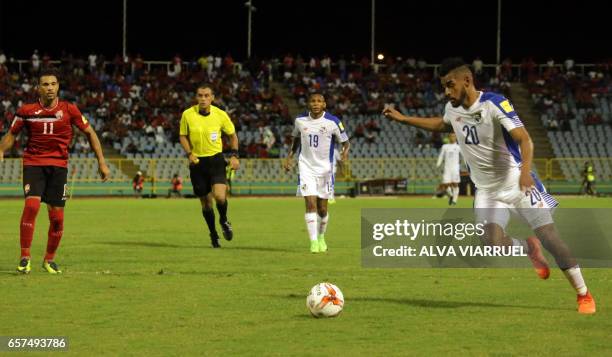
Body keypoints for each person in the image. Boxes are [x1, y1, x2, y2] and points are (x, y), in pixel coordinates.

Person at [383, 58, 596, 314]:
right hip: (488, 192)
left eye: (450, 85)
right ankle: (528, 247)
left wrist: (526, 173)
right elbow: (442, 124)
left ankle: (583, 294)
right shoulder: (452, 109)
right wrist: (404, 119)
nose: (446, 92)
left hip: (517, 183)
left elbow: (525, 139)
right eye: (444, 87)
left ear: (467, 81)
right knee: (492, 244)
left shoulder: (494, 103)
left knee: (550, 238)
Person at [0, 68, 110, 274]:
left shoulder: (69, 109)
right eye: (45, 84)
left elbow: (90, 132)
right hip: (34, 163)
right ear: (38, 88)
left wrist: (101, 162)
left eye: (53, 84)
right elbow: (11, 134)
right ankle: (25, 257)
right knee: (31, 206)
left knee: (57, 217)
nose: (49, 88)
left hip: (59, 167)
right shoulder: (26, 111)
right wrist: (1, 150)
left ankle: (49, 260)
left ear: (58, 86)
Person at [283, 93, 350, 253]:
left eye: (319, 101)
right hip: (306, 167)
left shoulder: (333, 122)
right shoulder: (300, 121)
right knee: (310, 204)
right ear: (308, 103)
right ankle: (313, 242)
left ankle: (321, 237)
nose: (315, 103)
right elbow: (296, 139)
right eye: (312, 101)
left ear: (324, 104)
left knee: (322, 209)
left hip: (325, 170)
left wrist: (345, 153)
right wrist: (290, 157)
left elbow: (346, 143)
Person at [179, 84, 240, 248]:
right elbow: (183, 136)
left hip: (216, 160)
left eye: (206, 95)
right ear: (196, 97)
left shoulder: (220, 115)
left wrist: (234, 155)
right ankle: (213, 234)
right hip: (198, 163)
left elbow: (233, 136)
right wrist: (189, 154)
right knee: (206, 203)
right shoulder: (187, 115)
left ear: (212, 97)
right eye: (200, 95)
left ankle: (224, 220)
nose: (203, 99)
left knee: (220, 196)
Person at [436, 132, 462, 205]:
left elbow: (464, 156)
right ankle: (451, 195)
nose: (452, 138)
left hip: (455, 168)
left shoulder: (458, 147)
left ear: (456, 137)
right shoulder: (445, 146)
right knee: (445, 184)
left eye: (454, 136)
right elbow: (441, 155)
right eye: (451, 136)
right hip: (447, 168)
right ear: (448, 137)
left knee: (455, 184)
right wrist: (438, 163)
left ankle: (454, 200)